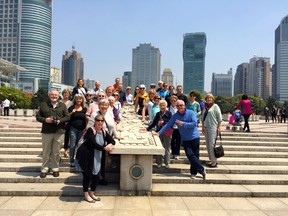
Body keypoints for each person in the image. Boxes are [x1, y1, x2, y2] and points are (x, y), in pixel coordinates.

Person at [153, 100, 206, 180]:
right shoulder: (175, 116)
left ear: (184, 105)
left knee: (195, 155)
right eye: (178, 106)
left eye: (181, 105)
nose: (180, 107)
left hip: (194, 137)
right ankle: (201, 169)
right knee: (189, 155)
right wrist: (159, 133)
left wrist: (183, 124)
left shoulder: (190, 113)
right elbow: (168, 125)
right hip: (185, 139)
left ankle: (193, 173)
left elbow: (194, 124)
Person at [75, 114, 115, 203]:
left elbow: (112, 140)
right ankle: (86, 195)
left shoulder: (103, 131)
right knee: (87, 176)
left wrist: (109, 145)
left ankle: (92, 193)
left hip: (97, 157)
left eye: (102, 120)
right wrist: (104, 148)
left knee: (97, 176)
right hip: (87, 156)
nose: (100, 122)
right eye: (98, 120)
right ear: (95, 121)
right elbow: (92, 143)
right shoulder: (90, 130)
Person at [36, 89, 70, 178]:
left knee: (56, 152)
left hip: (59, 132)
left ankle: (55, 168)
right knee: (46, 151)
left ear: (58, 96)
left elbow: (67, 116)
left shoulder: (62, 105)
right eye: (52, 95)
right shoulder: (44, 104)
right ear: (49, 95)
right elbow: (38, 116)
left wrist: (60, 120)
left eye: (55, 95)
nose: (54, 96)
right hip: (47, 131)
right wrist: (45, 120)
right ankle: (44, 168)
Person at [147, 100, 172, 168]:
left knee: (167, 147)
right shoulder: (158, 114)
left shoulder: (169, 113)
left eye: (163, 105)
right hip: (158, 132)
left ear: (166, 106)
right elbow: (154, 123)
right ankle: (159, 162)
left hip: (167, 132)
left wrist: (164, 122)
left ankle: (167, 163)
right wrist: (147, 128)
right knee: (159, 147)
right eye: (161, 105)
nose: (162, 107)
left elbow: (171, 123)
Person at [202, 93, 222, 168]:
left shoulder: (215, 106)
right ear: (206, 99)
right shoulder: (205, 107)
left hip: (213, 127)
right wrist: (202, 127)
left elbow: (219, 118)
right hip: (206, 127)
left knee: (211, 144)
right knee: (208, 145)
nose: (209, 99)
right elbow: (203, 118)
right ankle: (211, 159)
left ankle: (214, 161)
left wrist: (219, 127)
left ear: (213, 99)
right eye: (208, 98)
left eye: (210, 98)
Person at [68, 94, 87, 167]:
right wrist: (72, 112)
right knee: (72, 145)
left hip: (82, 129)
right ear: (75, 100)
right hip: (73, 128)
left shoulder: (85, 108)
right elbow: (66, 116)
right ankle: (71, 159)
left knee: (80, 145)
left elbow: (86, 118)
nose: (79, 100)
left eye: (80, 99)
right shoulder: (71, 108)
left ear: (82, 100)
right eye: (77, 99)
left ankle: (78, 159)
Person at [60, 89, 73, 158]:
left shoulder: (71, 103)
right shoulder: (59, 102)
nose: (66, 94)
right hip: (60, 121)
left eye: (67, 93)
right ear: (62, 94)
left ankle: (66, 150)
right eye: (64, 93)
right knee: (59, 136)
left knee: (67, 137)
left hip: (68, 122)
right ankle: (58, 151)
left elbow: (72, 112)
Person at [168, 95, 181, 160]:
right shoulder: (168, 108)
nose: (173, 102)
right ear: (170, 101)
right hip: (171, 127)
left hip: (178, 127)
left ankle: (177, 153)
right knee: (172, 141)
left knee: (178, 141)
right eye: (172, 100)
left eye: (174, 100)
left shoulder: (179, 108)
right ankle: (173, 153)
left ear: (176, 101)